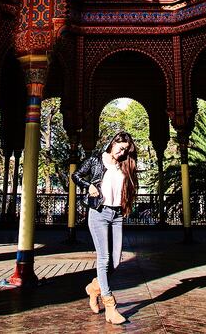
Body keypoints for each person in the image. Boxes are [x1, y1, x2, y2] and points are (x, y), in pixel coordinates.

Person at [71, 131, 138, 325]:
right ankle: (110, 305)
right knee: (104, 258)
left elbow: (127, 187)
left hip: (117, 215)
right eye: (120, 148)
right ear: (112, 143)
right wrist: (88, 185)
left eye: (126, 149)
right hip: (99, 213)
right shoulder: (95, 161)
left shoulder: (124, 164)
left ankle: (94, 288)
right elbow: (76, 175)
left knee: (116, 261)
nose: (122, 152)